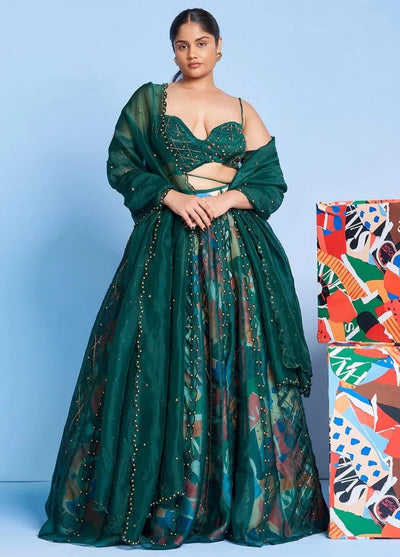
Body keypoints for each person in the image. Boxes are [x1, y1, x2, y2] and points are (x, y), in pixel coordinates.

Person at [38, 7, 329, 549]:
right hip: (166, 247)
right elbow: (121, 165)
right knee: (159, 359)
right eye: (181, 44)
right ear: (172, 50)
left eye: (201, 42)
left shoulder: (242, 109)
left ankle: (229, 497)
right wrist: (170, 195)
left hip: (235, 254)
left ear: (219, 47)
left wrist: (226, 200)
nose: (191, 53)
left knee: (234, 363)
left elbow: (271, 183)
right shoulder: (150, 101)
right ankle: (167, 498)